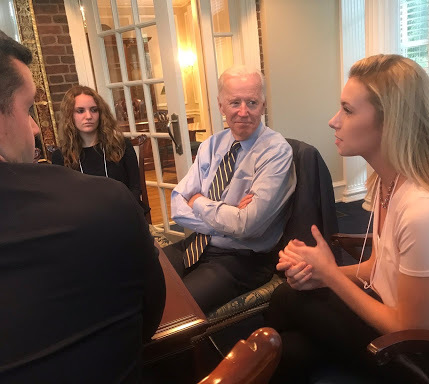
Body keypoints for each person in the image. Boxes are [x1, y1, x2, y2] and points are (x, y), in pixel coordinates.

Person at [267, 54, 429, 383]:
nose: (333, 121)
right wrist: (322, 274)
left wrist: (330, 275)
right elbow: (377, 268)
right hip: (411, 325)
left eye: (348, 110)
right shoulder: (388, 180)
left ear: (391, 123)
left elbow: (410, 330)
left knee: (285, 299)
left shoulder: (425, 208)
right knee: (290, 349)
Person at [0, 30, 165, 383]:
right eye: (29, 109)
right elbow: (147, 312)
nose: (32, 128)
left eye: (93, 110)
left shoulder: (121, 154)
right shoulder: (90, 189)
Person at [166, 66, 296, 314]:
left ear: (264, 105)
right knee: (144, 278)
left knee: (178, 309)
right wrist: (229, 214)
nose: (243, 111)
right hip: (198, 244)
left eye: (252, 102)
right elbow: (177, 205)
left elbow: (246, 226)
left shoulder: (276, 151)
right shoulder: (211, 145)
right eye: (234, 102)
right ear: (221, 106)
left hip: (242, 259)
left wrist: (199, 202)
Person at [51, 85, 150, 214]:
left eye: (94, 110)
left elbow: (135, 187)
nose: (88, 116)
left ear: (101, 113)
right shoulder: (61, 156)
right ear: (70, 115)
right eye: (80, 111)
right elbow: (63, 199)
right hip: (85, 219)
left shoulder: (121, 145)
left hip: (124, 213)